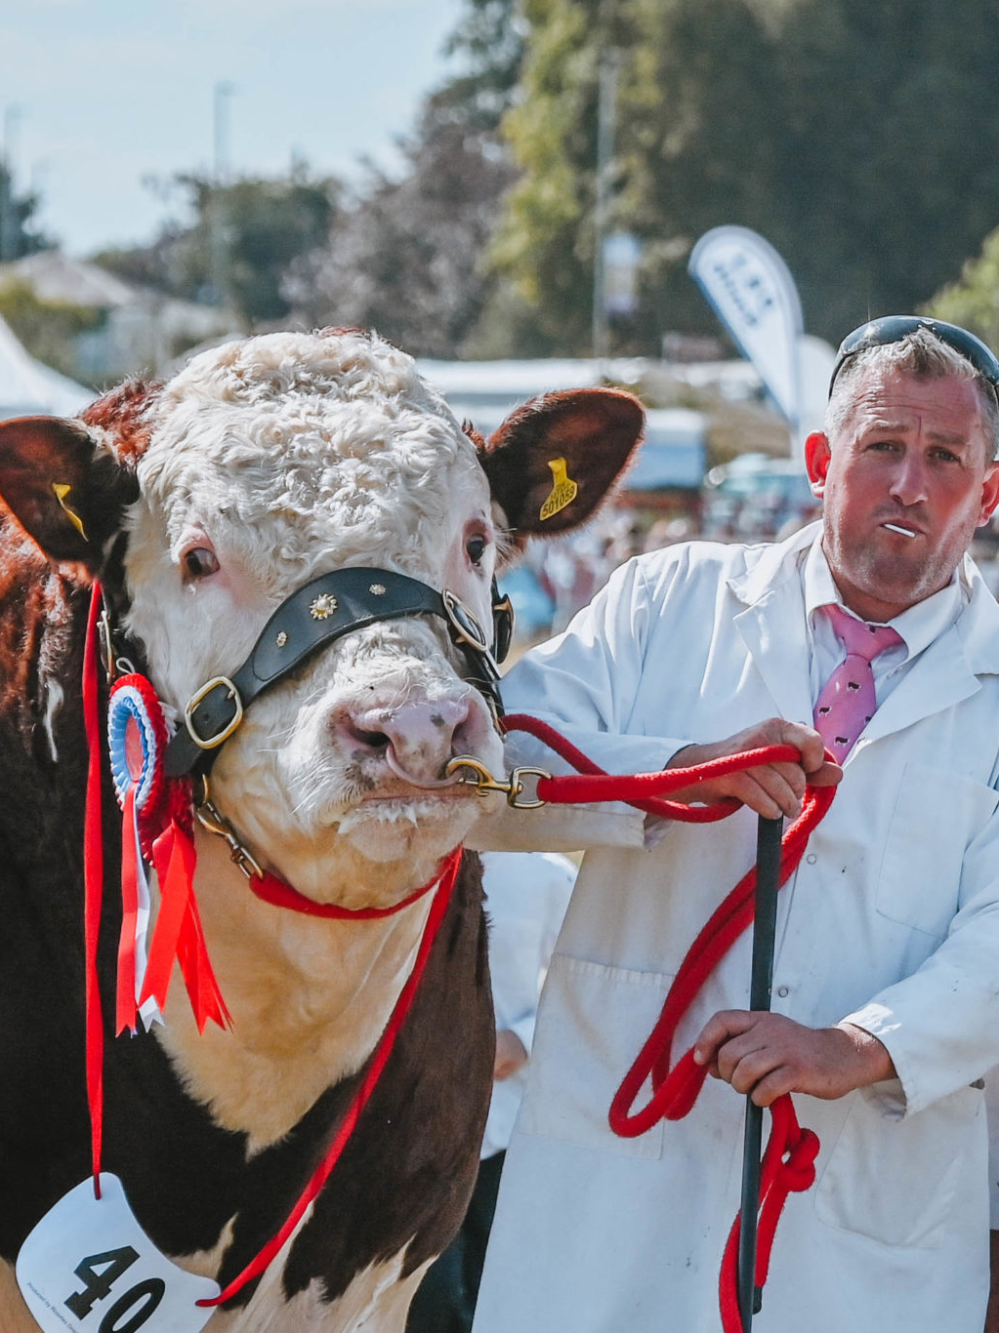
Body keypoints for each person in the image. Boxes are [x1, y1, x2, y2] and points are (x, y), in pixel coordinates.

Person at [470, 317, 999, 1333]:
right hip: (615, 1195)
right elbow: (485, 767)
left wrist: (856, 1044)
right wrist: (672, 772)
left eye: (943, 458)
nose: (907, 485)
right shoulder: (667, 601)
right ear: (818, 462)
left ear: (986, 493)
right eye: (880, 446)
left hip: (860, 1208)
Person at [406, 851, 576, 1333]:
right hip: (413, 1130)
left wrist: (520, 1040)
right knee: (429, 1300)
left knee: (502, 1295)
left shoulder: (550, 878)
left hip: (509, 1128)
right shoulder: (404, 865)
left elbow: (585, 991)